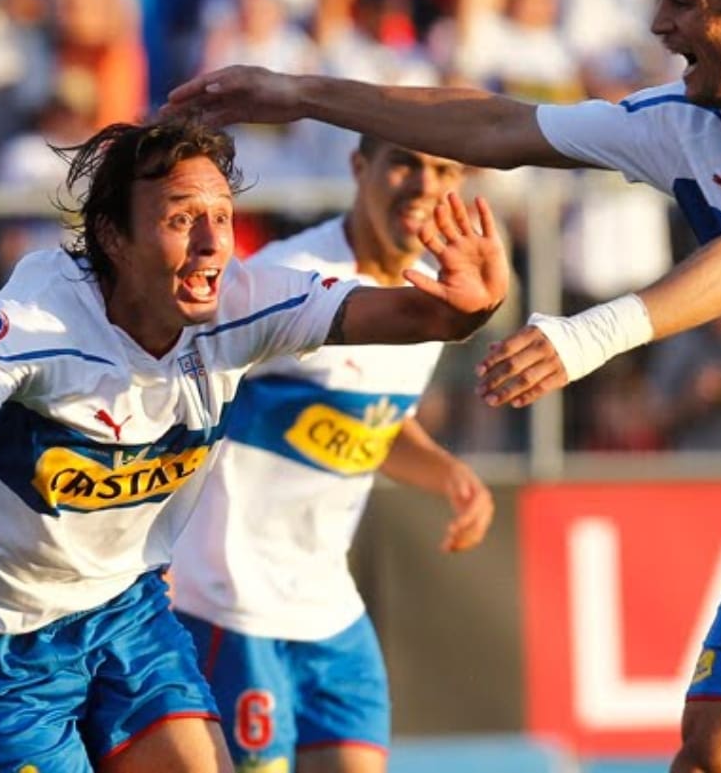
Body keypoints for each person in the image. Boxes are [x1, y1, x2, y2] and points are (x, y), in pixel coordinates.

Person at [161, 0, 721, 770]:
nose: (659, 25)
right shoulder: (684, 124)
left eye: (684, 3)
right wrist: (301, 93)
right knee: (709, 754)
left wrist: (588, 334)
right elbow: (497, 123)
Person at [0, 116, 507, 773]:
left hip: (123, 614)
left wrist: (468, 310)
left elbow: (410, 312)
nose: (212, 241)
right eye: (182, 217)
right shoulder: (46, 311)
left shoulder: (245, 307)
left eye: (221, 217)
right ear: (114, 237)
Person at [170, 133, 495, 773]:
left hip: (330, 609)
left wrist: (449, 474)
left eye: (441, 166)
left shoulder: (435, 294)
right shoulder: (284, 279)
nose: (424, 183)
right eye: (404, 161)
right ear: (358, 166)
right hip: (236, 604)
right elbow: (181, 395)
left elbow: (374, 421)